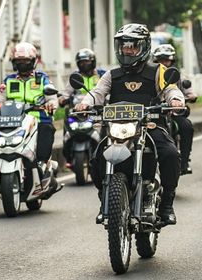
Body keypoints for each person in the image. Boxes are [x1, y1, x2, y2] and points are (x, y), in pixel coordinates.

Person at [75, 23, 184, 225]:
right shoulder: (112, 75)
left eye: (132, 46)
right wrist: (84, 103)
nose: (128, 50)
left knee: (170, 154)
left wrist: (176, 101)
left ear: (143, 47)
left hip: (150, 126)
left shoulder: (158, 71)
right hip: (118, 128)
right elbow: (97, 94)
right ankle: (105, 199)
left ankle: (167, 203)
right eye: (124, 46)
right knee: (97, 157)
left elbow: (171, 90)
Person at [0, 42, 58, 186]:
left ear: (33, 61)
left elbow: (52, 97)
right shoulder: (9, 81)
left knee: (47, 129)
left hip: (38, 120)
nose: (22, 64)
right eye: (18, 61)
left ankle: (41, 163)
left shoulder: (42, 79)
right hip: (13, 120)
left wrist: (51, 104)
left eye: (26, 61)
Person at [153, 44, 197, 175]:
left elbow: (189, 92)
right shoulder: (152, 75)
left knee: (186, 127)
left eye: (166, 60)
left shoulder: (179, 76)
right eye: (160, 60)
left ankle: (184, 161)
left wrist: (187, 98)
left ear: (172, 61)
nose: (163, 63)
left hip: (173, 113)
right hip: (154, 114)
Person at [59, 48, 106, 168]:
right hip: (77, 112)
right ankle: (68, 156)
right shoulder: (75, 77)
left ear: (93, 61)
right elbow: (66, 92)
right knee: (67, 127)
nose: (84, 64)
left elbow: (108, 89)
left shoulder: (102, 75)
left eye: (87, 62)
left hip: (97, 113)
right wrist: (62, 99)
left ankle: (105, 157)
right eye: (81, 62)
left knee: (107, 134)